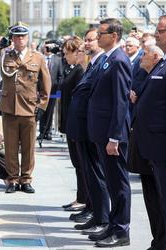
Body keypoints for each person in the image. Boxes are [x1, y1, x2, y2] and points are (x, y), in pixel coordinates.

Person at [0, 21, 51, 193]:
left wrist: (41, 106)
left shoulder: (38, 57)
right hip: (9, 108)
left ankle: (25, 179)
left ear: (27, 38)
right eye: (16, 36)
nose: (20, 39)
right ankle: (12, 180)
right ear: (12, 38)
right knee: (11, 146)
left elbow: (46, 83)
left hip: (29, 108)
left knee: (28, 147)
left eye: (23, 36)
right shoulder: (5, 55)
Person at [87, 18, 132, 247]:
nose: (98, 36)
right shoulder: (108, 59)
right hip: (102, 131)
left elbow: (120, 102)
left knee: (119, 183)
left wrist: (114, 137)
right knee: (112, 182)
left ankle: (121, 230)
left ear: (114, 35)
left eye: (102, 33)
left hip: (112, 134)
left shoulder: (119, 60)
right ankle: (113, 226)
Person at [66, 28, 110, 235]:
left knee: (96, 174)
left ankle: (102, 218)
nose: (86, 44)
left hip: (90, 128)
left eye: (91, 40)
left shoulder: (104, 63)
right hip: (82, 128)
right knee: (89, 174)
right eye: (86, 40)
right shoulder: (93, 64)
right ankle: (94, 213)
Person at [133, 14, 166, 250]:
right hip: (153, 147)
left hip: (163, 147)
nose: (156, 34)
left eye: (161, 30)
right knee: (162, 202)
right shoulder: (164, 62)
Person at [60, 36, 85, 211]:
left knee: (81, 164)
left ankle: (83, 198)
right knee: (78, 164)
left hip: (76, 123)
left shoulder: (79, 71)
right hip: (70, 121)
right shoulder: (74, 69)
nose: (64, 57)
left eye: (66, 53)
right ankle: (81, 197)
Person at [37, 42, 63, 141]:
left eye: (48, 48)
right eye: (45, 47)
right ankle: (41, 132)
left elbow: (60, 75)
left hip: (53, 91)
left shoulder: (57, 59)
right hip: (41, 91)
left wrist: (58, 89)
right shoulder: (40, 58)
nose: (47, 49)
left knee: (50, 112)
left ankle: (48, 132)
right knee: (41, 111)